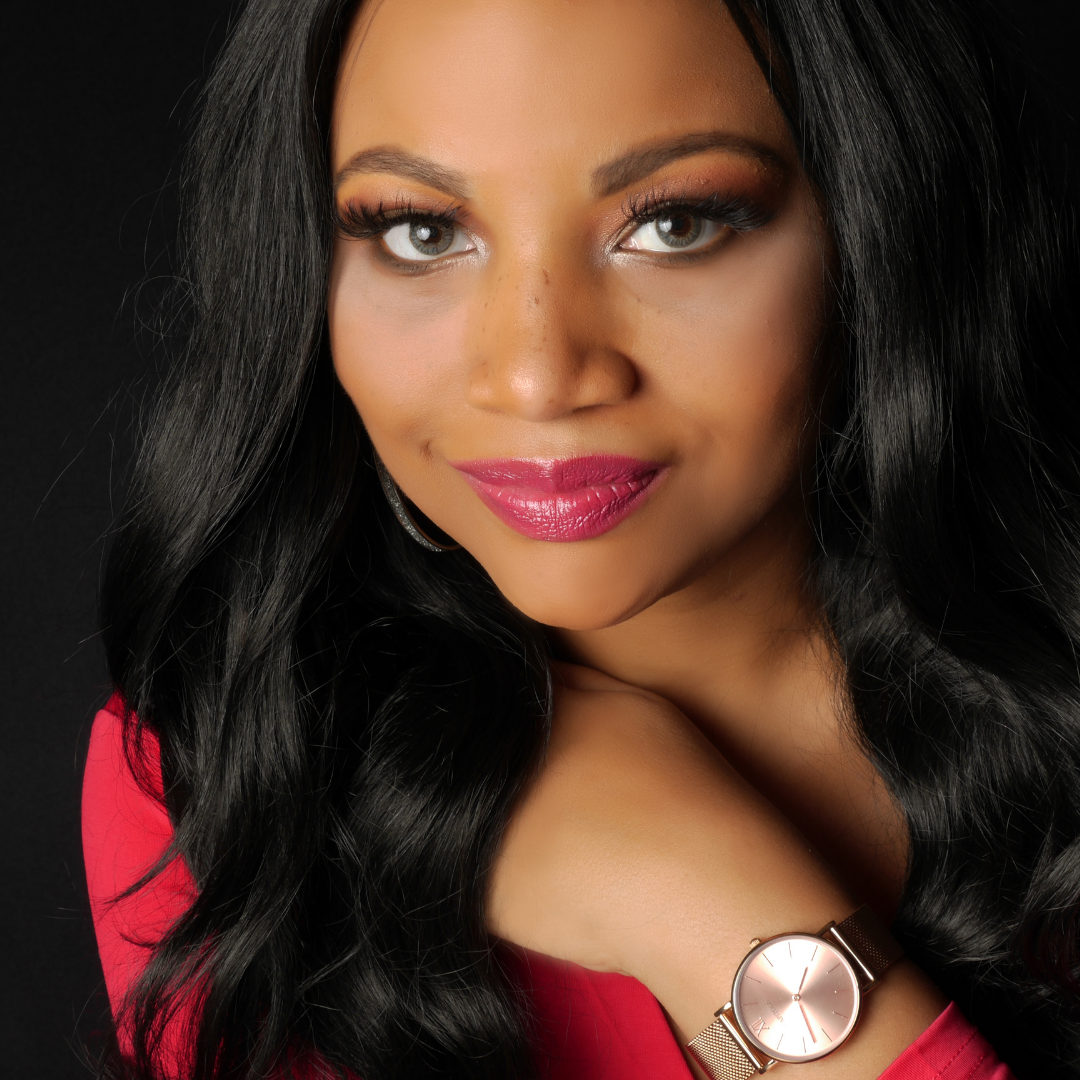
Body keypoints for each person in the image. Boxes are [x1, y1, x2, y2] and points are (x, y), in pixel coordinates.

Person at [81, 0, 1080, 1077]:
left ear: (883, 225)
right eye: (422, 231)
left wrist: (704, 897)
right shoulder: (231, 775)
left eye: (676, 222)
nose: (537, 375)